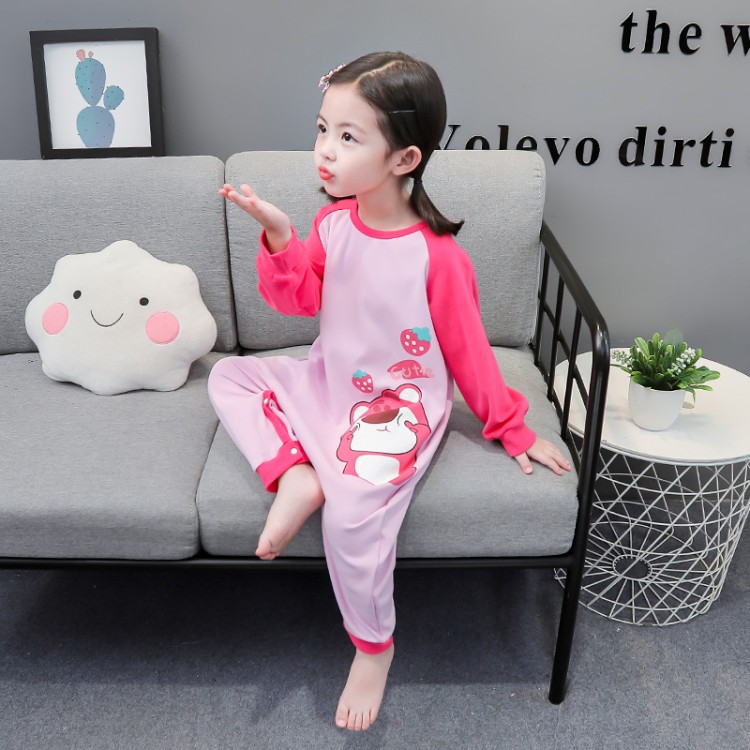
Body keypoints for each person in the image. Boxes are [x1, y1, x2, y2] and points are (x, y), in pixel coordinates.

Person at [208, 51, 571, 732]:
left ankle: (373, 647)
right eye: (323, 129)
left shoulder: (438, 256)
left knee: (352, 520)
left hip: (394, 411)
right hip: (326, 382)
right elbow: (298, 300)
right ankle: (295, 475)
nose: (325, 150)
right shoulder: (333, 225)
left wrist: (512, 427)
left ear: (404, 158)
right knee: (229, 375)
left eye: (349, 137)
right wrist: (281, 235)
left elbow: (469, 353)